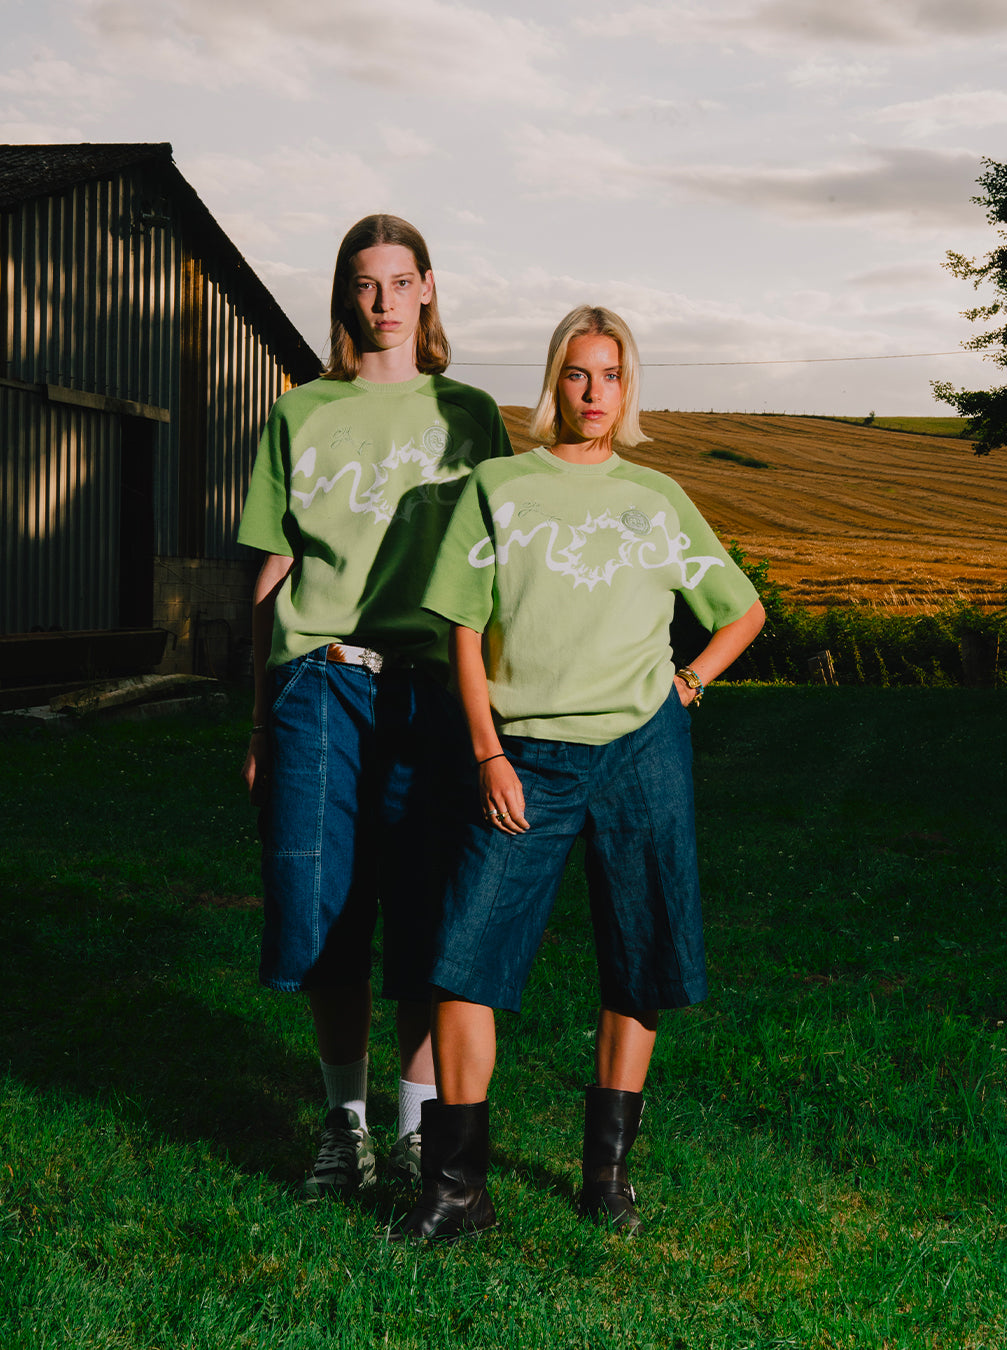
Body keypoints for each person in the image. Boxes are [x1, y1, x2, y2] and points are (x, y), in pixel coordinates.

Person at [392, 305, 766, 1242]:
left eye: (611, 374)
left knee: (638, 957)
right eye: (577, 372)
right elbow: (463, 629)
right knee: (462, 959)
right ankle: (456, 1190)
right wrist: (487, 751)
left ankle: (607, 1177)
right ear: (553, 381)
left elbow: (741, 611)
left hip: (643, 752)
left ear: (628, 386)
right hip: (526, 755)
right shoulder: (500, 487)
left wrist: (688, 682)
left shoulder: (657, 497)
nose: (594, 392)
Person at [237, 214, 513, 1200]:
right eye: (366, 283)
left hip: (431, 688)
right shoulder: (301, 413)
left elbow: (494, 572)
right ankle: (342, 1127)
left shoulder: (470, 415)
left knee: (430, 909)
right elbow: (271, 573)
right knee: (326, 907)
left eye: (401, 282)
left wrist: (493, 724)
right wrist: (258, 721)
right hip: (320, 680)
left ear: (428, 289)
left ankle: (413, 1128)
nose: (384, 301)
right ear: (344, 295)